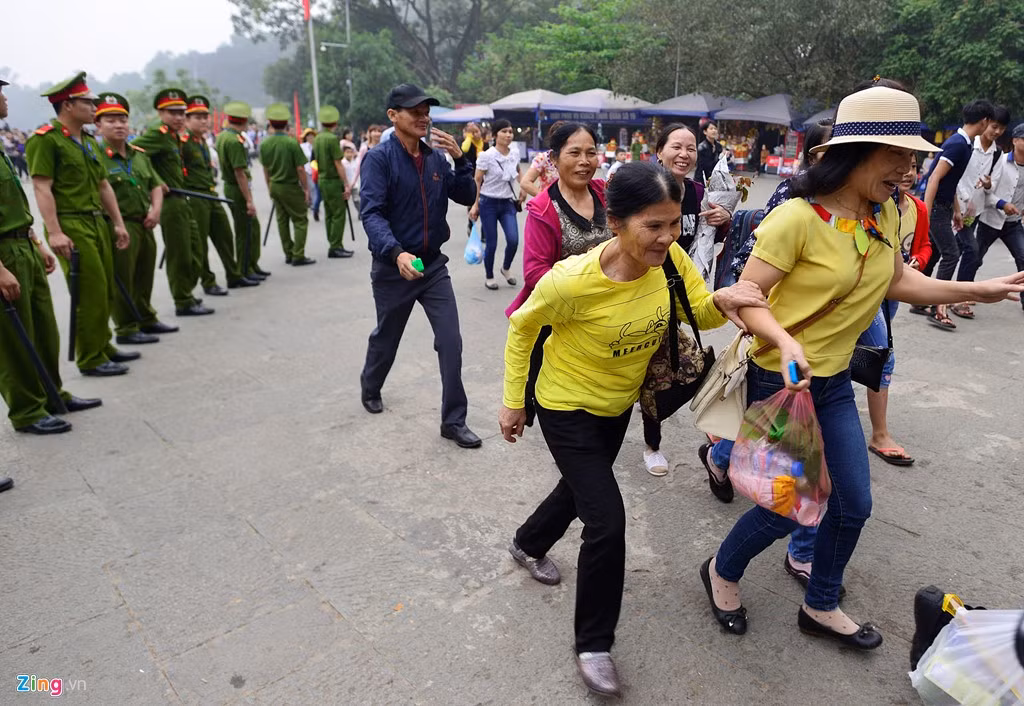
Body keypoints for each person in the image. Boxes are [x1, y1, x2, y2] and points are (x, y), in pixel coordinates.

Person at [700, 86, 1023, 651]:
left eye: (913, 158)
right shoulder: (796, 219)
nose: (908, 170)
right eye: (896, 156)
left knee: (853, 503)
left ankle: (819, 604)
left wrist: (981, 289)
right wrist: (782, 338)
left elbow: (899, 281)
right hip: (780, 379)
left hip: (832, 383)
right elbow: (746, 296)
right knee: (784, 508)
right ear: (855, 153)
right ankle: (721, 572)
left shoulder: (892, 211)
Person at [499, 161, 767, 696]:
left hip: (619, 404)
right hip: (565, 406)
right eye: (654, 226)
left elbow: (697, 312)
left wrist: (724, 298)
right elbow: (522, 327)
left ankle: (528, 543)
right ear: (616, 222)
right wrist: (512, 403)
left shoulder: (671, 262)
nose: (667, 237)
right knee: (607, 518)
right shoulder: (571, 280)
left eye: (674, 224)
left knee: (579, 491)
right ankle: (594, 643)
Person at [359, 83, 481, 449]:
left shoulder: (434, 159)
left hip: (432, 267)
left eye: (426, 110)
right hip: (393, 266)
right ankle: (371, 384)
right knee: (388, 335)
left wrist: (461, 160)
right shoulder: (379, 161)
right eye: (414, 111)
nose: (423, 117)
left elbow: (465, 195)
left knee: (451, 341)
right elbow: (372, 213)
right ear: (393, 115)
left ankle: (453, 420)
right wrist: (394, 252)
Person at [0, 76, 101, 434]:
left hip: (21, 245)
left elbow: (10, 204)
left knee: (44, 328)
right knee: (13, 338)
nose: (4, 99)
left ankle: (52, 393)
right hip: (3, 254)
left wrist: (37, 241)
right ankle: (28, 410)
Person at [26, 72, 139, 375]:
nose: (94, 106)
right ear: (67, 105)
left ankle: (103, 345)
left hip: (97, 222)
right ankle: (91, 357)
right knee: (88, 291)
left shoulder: (88, 142)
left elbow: (103, 185)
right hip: (73, 224)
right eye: (88, 102)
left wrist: (118, 223)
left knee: (104, 289)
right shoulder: (46, 140)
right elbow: (42, 187)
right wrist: (55, 232)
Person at [504, 122, 613, 427]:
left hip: (605, 312)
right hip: (559, 314)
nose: (584, 161)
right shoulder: (542, 208)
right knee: (552, 388)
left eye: (591, 153)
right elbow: (535, 273)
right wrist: (586, 286)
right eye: (574, 152)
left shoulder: (607, 194)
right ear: (553, 159)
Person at [640, 123, 730, 476]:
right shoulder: (645, 187)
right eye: (676, 146)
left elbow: (709, 234)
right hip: (644, 288)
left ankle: (707, 427)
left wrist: (724, 219)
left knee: (678, 365)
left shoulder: (696, 192)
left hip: (682, 289)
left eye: (691, 148)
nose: (684, 154)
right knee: (652, 367)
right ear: (659, 151)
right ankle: (651, 444)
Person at [93, 92, 179, 344]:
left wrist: (155, 210)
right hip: (120, 225)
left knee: (144, 275)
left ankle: (146, 318)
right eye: (110, 120)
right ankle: (127, 328)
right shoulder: (96, 156)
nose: (119, 125)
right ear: (97, 125)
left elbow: (155, 184)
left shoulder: (138, 154)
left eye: (122, 119)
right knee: (123, 278)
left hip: (145, 222)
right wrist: (119, 223)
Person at [132, 88, 213, 317]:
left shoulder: (173, 136)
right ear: (160, 112)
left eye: (181, 112)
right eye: (172, 112)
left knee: (195, 250)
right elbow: (132, 152)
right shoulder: (157, 134)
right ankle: (182, 300)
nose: (178, 117)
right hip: (170, 203)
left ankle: (186, 291)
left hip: (183, 199)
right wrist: (155, 181)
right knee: (180, 255)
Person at [919, 99, 995, 329]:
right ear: (983, 122)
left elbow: (951, 181)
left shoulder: (965, 143)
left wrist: (957, 211)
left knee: (933, 254)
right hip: (936, 208)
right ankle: (936, 307)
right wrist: (925, 211)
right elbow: (934, 178)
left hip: (944, 207)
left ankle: (918, 300)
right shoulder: (958, 144)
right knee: (951, 254)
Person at [183, 95, 253, 296]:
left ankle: (234, 274)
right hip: (195, 196)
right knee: (201, 242)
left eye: (205, 116)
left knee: (224, 235)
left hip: (211, 194)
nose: (204, 120)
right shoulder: (183, 142)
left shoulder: (202, 141)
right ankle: (208, 281)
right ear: (187, 119)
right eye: (197, 117)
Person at [944, 105, 1010, 318]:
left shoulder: (997, 154)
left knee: (966, 251)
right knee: (949, 250)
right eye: (994, 126)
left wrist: (989, 185)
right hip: (953, 206)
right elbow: (952, 176)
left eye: (1001, 128)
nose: (996, 132)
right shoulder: (967, 144)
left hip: (973, 212)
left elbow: (991, 191)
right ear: (985, 123)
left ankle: (955, 297)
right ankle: (933, 297)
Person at [969, 122, 1024, 314]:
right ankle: (966, 293)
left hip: (1013, 224)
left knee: (1023, 258)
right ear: (1015, 140)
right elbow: (988, 192)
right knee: (975, 258)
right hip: (991, 220)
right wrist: (1003, 204)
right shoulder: (1001, 162)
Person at [216, 101, 269, 281]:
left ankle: (252, 264)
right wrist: (249, 200)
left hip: (233, 187)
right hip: (237, 189)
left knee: (251, 228)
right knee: (244, 231)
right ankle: (245, 269)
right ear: (244, 121)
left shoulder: (224, 136)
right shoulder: (234, 141)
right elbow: (239, 172)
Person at [469, 118, 521, 290]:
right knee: (491, 242)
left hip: (507, 203)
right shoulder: (486, 156)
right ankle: (489, 276)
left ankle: (505, 268)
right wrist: (475, 204)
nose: (508, 135)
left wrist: (524, 188)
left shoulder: (514, 153)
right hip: (488, 203)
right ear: (494, 135)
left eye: (510, 131)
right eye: (504, 131)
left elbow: (518, 171)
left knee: (513, 240)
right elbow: (477, 180)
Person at [260, 103, 314, 266]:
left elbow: (265, 169)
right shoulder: (291, 143)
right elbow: (300, 168)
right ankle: (298, 254)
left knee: (282, 220)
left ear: (270, 124)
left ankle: (288, 252)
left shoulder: (265, 144)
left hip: (275, 185)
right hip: (290, 186)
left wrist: (269, 185)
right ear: (286, 124)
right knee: (300, 220)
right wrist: (306, 189)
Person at [313, 105, 353, 259]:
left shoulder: (317, 138)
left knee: (329, 213)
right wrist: (346, 184)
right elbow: (338, 163)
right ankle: (336, 246)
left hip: (322, 179)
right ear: (335, 122)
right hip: (333, 180)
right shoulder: (331, 138)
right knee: (338, 214)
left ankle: (333, 243)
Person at [519, 122, 564, 199]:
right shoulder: (543, 158)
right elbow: (525, 183)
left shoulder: (576, 158)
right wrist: (546, 199)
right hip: (548, 206)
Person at [300, 128, 320, 222]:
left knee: (315, 189)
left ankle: (315, 205)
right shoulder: (302, 146)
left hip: (316, 170)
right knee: (310, 188)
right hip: (306, 170)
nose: (310, 137)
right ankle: (313, 205)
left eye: (312, 135)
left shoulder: (316, 146)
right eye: (308, 136)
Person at [696, 120, 724, 185]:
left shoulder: (719, 146)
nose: (714, 131)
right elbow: (701, 167)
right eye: (711, 129)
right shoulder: (701, 147)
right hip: (702, 179)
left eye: (715, 129)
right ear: (705, 132)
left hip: (715, 178)